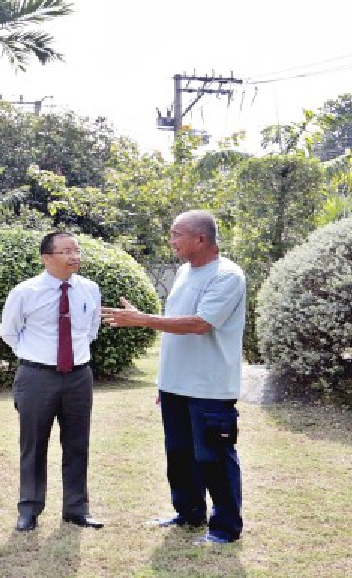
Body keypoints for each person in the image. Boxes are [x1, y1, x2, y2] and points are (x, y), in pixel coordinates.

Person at [101, 210, 246, 545]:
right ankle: (189, 513)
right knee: (179, 454)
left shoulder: (227, 276)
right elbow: (176, 326)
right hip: (175, 385)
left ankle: (225, 528)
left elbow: (200, 324)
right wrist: (165, 381)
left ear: (201, 239)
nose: (171, 241)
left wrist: (142, 319)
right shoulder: (183, 272)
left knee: (214, 457)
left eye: (176, 234)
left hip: (209, 387)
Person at [0, 231, 104, 532]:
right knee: (33, 444)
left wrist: (73, 358)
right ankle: (29, 509)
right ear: (47, 258)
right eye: (66, 251)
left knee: (77, 444)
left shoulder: (89, 289)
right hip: (37, 376)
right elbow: (9, 332)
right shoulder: (25, 292)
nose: (74, 256)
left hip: (78, 376)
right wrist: (36, 356)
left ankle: (76, 509)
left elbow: (91, 329)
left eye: (77, 250)